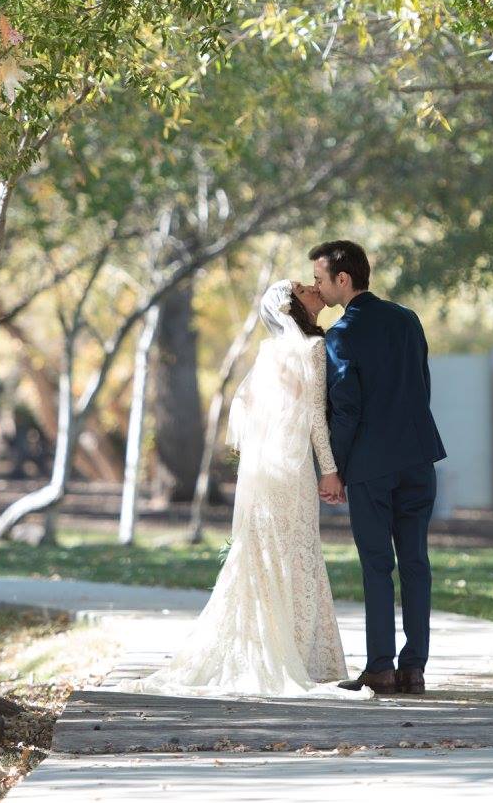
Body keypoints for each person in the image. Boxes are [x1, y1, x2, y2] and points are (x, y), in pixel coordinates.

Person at [114, 280, 371, 699]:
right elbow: (314, 420)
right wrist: (329, 470)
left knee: (267, 555)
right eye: (306, 289)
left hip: (266, 470)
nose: (314, 289)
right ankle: (303, 658)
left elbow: (246, 407)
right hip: (293, 472)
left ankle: (278, 649)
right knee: (298, 552)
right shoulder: (312, 350)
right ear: (293, 307)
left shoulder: (269, 352)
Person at [310, 240, 446, 696]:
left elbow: (346, 407)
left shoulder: (341, 334)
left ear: (342, 279)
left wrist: (335, 467)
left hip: (371, 464)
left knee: (376, 566)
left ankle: (380, 669)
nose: (318, 287)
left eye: (320, 278)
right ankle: (414, 670)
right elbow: (422, 385)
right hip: (419, 458)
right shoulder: (407, 319)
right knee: (416, 563)